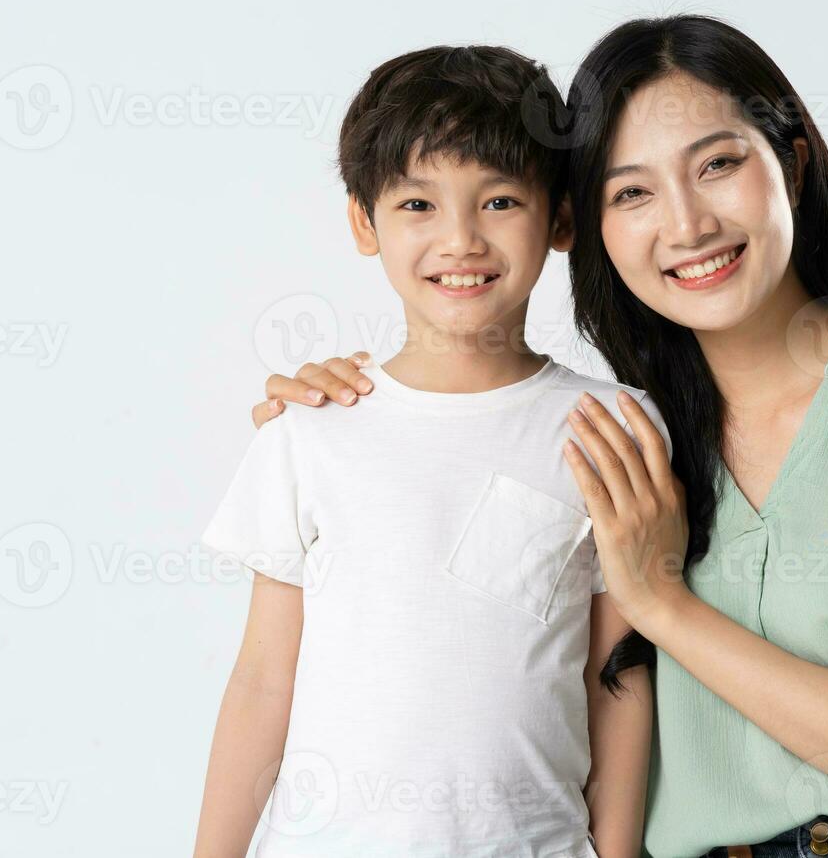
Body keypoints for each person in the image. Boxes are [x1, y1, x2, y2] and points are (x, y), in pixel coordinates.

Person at [257, 15, 828, 858]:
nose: (686, 225)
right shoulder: (615, 431)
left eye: (717, 165)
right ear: (586, 225)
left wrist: (662, 604)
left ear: (791, 160)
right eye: (632, 192)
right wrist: (350, 408)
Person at [193, 44, 669, 858]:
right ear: (362, 221)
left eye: (499, 202)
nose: (460, 240)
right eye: (418, 204)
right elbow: (263, 679)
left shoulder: (613, 426)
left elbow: (617, 676)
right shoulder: (311, 430)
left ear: (558, 219)